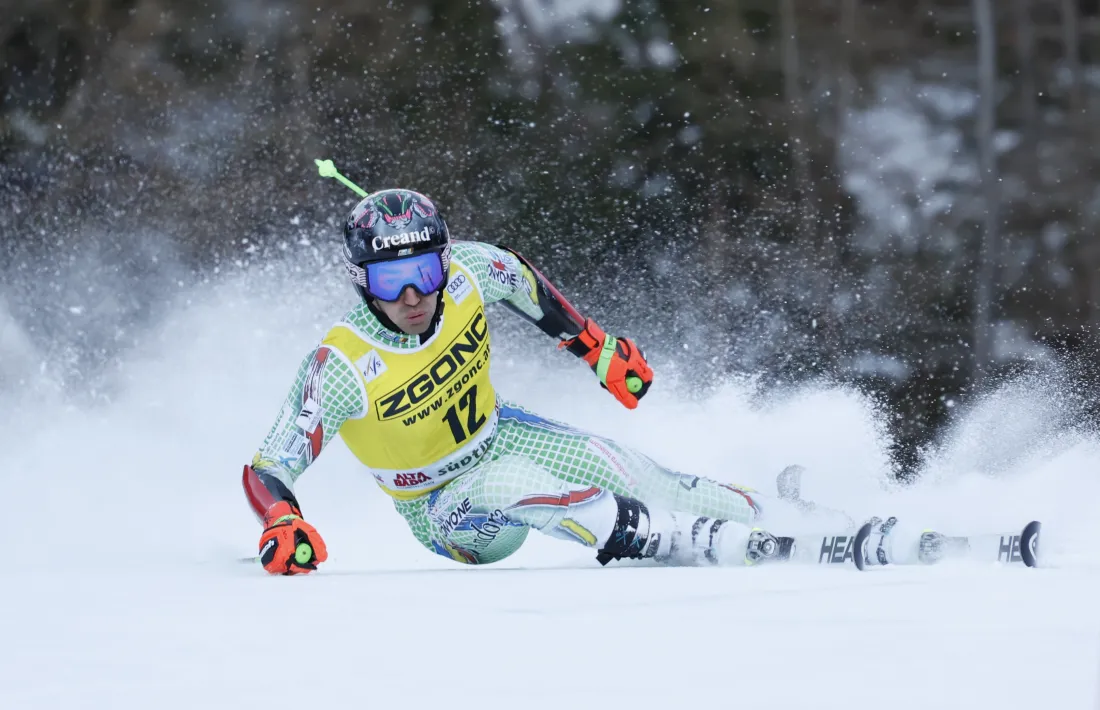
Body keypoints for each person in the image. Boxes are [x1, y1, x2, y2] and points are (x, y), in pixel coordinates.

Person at [242, 187, 843, 575]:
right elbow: (268, 466)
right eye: (388, 280)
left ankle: (773, 514)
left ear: (445, 261)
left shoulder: (468, 273)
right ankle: (676, 539)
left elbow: (522, 279)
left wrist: (597, 348)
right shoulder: (343, 364)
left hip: (502, 432)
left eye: (424, 270)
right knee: (513, 482)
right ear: (358, 280)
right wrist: (281, 519)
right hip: (441, 507)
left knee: (629, 469)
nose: (412, 295)